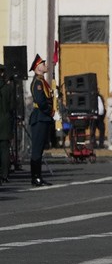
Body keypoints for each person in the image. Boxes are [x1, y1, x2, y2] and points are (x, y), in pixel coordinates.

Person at [29, 54, 53, 186]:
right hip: (40, 116)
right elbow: (40, 100)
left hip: (43, 117)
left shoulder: (42, 81)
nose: (46, 66)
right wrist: (50, 111)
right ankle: (35, 177)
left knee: (40, 149)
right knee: (37, 150)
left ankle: (38, 176)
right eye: (43, 64)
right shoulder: (38, 83)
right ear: (38, 67)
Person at [0, 66, 13, 185]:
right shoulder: (8, 88)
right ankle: (4, 175)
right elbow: (12, 106)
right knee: (4, 150)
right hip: (4, 122)